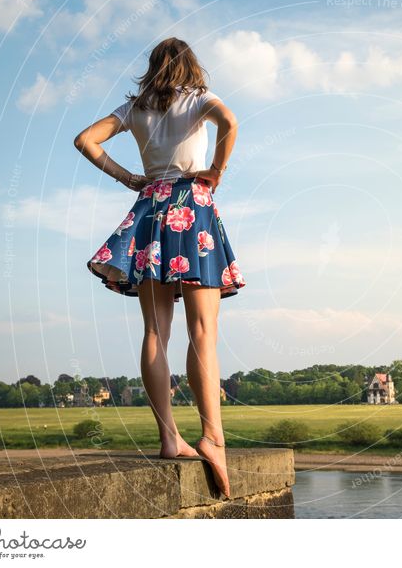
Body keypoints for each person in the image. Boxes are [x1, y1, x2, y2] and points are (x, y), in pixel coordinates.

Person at [73, 37, 244, 499]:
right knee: (203, 331)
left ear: (151, 68)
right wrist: (216, 170)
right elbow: (230, 121)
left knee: (154, 332)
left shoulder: (135, 108)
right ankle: (213, 437)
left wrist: (129, 177)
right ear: (192, 64)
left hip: (150, 211)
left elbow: (84, 140)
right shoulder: (199, 98)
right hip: (194, 206)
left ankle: (169, 438)